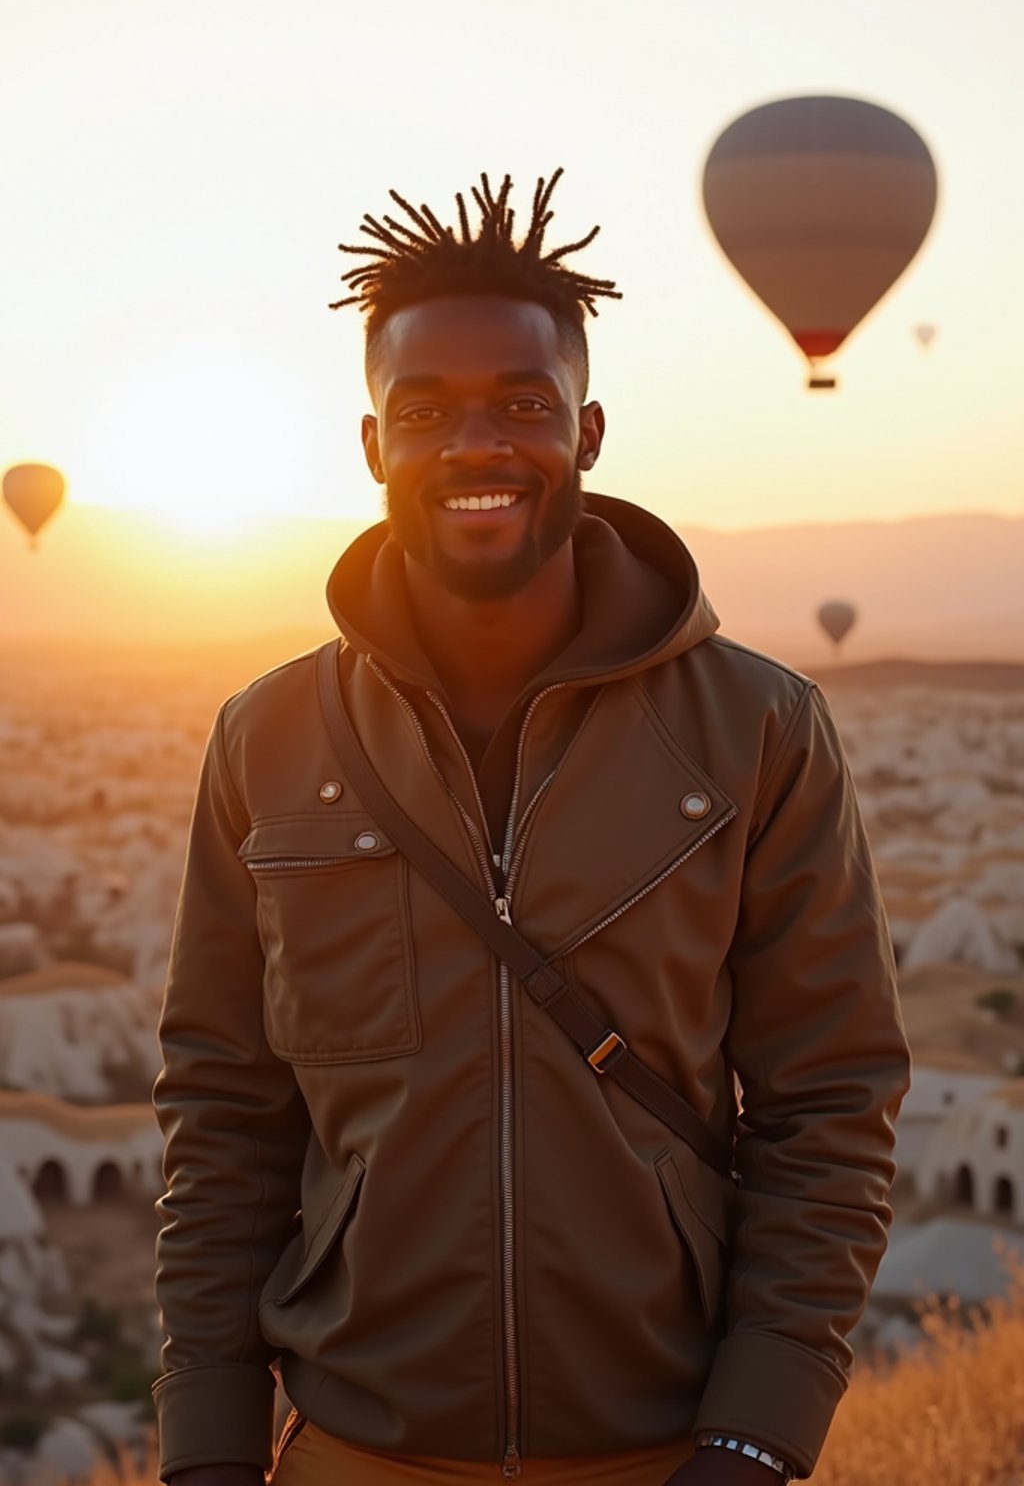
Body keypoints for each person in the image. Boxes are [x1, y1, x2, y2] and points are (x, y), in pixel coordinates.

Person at [152, 171, 910, 1486]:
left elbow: (832, 1102)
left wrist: (758, 1434)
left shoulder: (758, 729)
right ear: (374, 445)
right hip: (354, 1448)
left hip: (672, 1448)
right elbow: (225, 1112)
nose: (476, 444)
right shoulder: (267, 739)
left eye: (523, 403)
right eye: (426, 411)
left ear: (591, 429)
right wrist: (208, 1444)